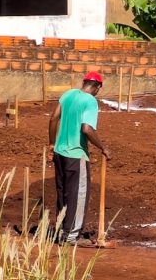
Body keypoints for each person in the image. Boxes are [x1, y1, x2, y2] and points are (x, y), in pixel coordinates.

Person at [48, 71, 112, 245]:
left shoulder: (68, 94)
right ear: (98, 87)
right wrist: (103, 147)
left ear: (84, 82)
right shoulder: (90, 101)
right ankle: (70, 237)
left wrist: (52, 144)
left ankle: (62, 231)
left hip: (59, 153)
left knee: (63, 194)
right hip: (76, 155)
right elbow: (87, 129)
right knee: (78, 195)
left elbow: (53, 118)